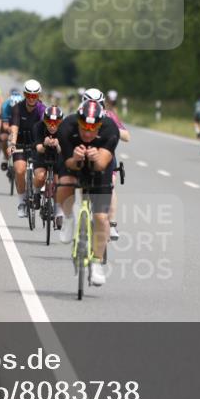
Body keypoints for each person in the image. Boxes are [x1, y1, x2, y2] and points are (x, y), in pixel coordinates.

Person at [56, 101, 119, 287]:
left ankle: (97, 262)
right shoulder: (66, 127)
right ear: (78, 122)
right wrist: (76, 158)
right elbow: (68, 164)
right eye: (84, 128)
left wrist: (96, 156)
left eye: (93, 129)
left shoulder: (110, 129)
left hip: (100, 168)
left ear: (100, 125)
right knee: (66, 183)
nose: (87, 133)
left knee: (100, 218)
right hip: (73, 164)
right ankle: (67, 218)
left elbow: (102, 164)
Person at [85, 88, 129, 240]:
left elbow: (127, 136)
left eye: (98, 103)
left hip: (106, 156)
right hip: (85, 156)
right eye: (91, 103)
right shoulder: (80, 115)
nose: (94, 106)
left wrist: (113, 128)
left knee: (110, 184)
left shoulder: (109, 116)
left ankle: (112, 225)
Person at [7, 80, 47, 217]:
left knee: (41, 177)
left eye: (34, 96)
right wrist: (12, 144)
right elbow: (14, 128)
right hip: (20, 143)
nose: (31, 98)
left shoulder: (42, 109)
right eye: (28, 95)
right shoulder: (17, 108)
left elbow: (46, 126)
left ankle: (36, 192)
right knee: (19, 170)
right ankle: (22, 202)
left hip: (37, 144)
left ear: (38, 96)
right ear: (24, 94)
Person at [33, 105, 66, 227]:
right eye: (49, 122)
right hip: (42, 155)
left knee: (59, 183)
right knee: (41, 176)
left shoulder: (64, 129)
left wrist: (57, 145)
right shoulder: (38, 127)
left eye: (56, 122)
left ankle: (59, 213)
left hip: (58, 157)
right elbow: (38, 148)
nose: (52, 126)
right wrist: (45, 144)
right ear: (44, 121)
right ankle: (36, 193)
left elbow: (65, 151)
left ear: (60, 122)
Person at [0, 88, 23, 171]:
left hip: (19, 126)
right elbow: (5, 126)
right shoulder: (5, 106)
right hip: (8, 125)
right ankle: (6, 158)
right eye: (13, 107)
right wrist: (12, 132)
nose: (15, 110)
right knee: (3, 138)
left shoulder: (23, 107)